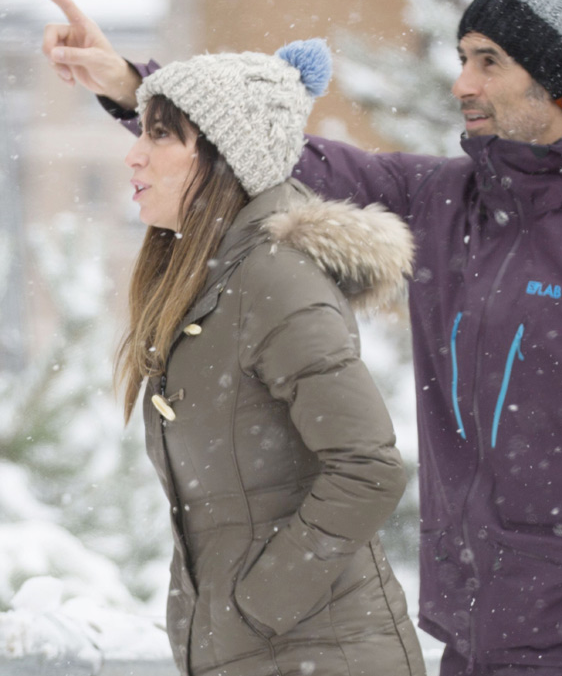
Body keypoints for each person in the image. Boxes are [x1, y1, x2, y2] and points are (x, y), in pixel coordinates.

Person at [39, 0, 562, 676]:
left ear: (556, 80)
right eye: (462, 58)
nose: (461, 82)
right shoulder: (452, 204)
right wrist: (136, 87)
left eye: (488, 62)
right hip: (467, 642)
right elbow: (266, 155)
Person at [45, 33, 427, 676]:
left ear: (227, 160)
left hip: (319, 655)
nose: (134, 157)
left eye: (162, 137)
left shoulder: (274, 282)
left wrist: (255, 605)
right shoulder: (214, 284)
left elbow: (369, 468)